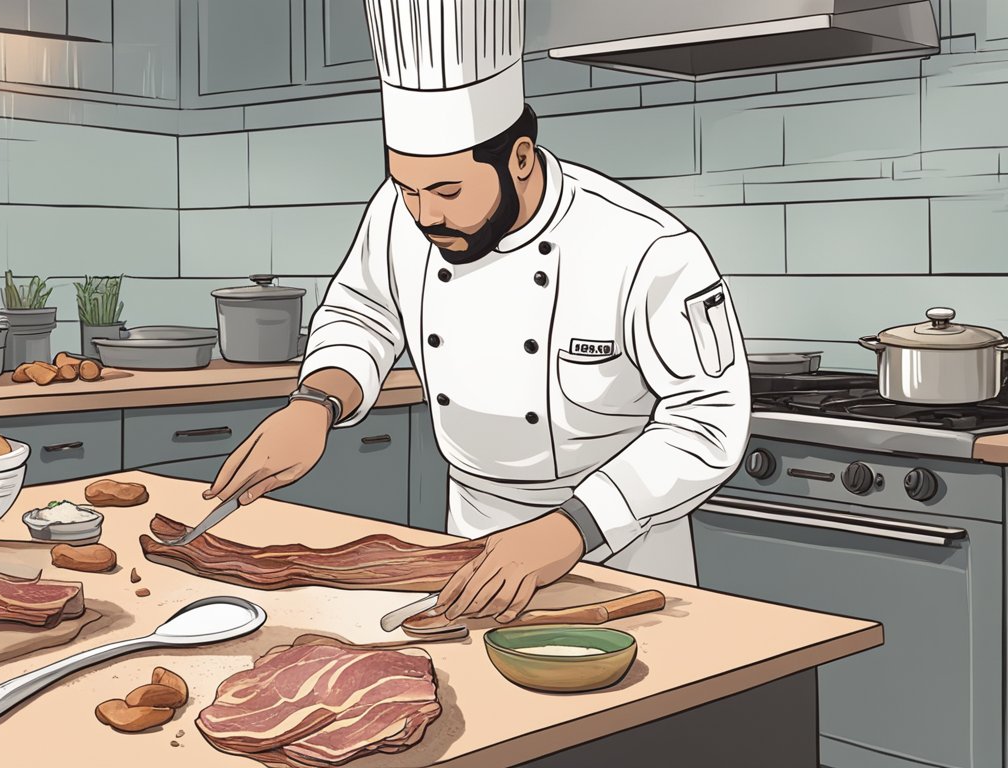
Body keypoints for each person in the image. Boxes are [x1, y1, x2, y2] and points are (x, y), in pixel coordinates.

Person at [205, 0, 751, 625]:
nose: (424, 215)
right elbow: (362, 311)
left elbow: (708, 419)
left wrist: (568, 530)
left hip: (618, 546)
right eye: (407, 188)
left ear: (519, 157)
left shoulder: (646, 249)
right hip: (470, 538)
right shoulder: (398, 214)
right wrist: (316, 404)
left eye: (447, 191)